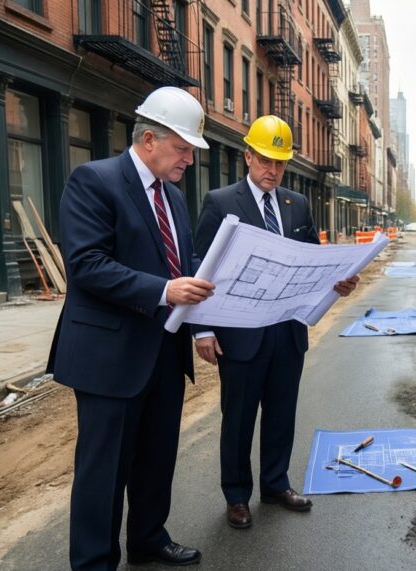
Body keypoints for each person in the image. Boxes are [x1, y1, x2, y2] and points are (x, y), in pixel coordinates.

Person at [48, 86, 215, 570]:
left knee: (156, 459)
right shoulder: (93, 181)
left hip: (162, 350)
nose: (188, 159)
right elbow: (86, 265)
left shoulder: (176, 199)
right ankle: (96, 561)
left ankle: (147, 537)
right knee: (104, 471)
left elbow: (180, 261)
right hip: (109, 357)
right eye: (183, 149)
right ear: (148, 140)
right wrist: (165, 292)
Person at [193, 115, 359, 530]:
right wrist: (203, 328)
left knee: (282, 412)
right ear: (247, 155)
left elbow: (313, 262)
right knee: (239, 418)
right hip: (240, 335)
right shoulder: (220, 202)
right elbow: (199, 267)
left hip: (287, 332)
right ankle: (236, 495)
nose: (272, 170)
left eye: (280, 163)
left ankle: (275, 484)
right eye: (265, 159)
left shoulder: (297, 204)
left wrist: (337, 283)